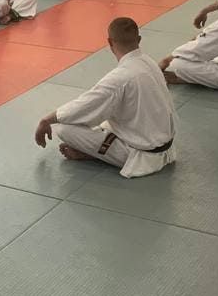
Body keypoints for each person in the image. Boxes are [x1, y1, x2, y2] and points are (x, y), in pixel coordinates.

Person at [34, 17, 177, 178]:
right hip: (163, 145)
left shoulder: (120, 77)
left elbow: (83, 107)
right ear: (139, 39)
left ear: (109, 42)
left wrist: (46, 120)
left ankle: (96, 155)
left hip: (141, 155)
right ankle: (99, 152)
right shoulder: (149, 62)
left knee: (63, 127)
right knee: (102, 115)